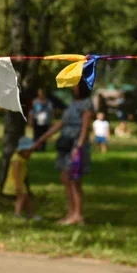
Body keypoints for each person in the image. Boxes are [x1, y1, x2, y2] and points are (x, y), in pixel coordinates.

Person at [35, 80, 94, 226]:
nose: (73, 87)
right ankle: (70, 212)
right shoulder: (72, 103)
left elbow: (86, 127)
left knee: (75, 181)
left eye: (75, 85)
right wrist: (41, 139)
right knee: (66, 179)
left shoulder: (87, 104)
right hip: (65, 145)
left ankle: (78, 214)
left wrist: (78, 147)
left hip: (76, 146)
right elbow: (61, 124)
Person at [3, 136, 40, 219]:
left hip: (20, 182)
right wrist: (17, 184)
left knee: (26, 198)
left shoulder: (22, 158)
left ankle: (30, 213)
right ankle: (17, 214)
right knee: (21, 198)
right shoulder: (17, 159)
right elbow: (15, 172)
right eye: (29, 151)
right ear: (22, 150)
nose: (30, 153)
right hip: (16, 181)